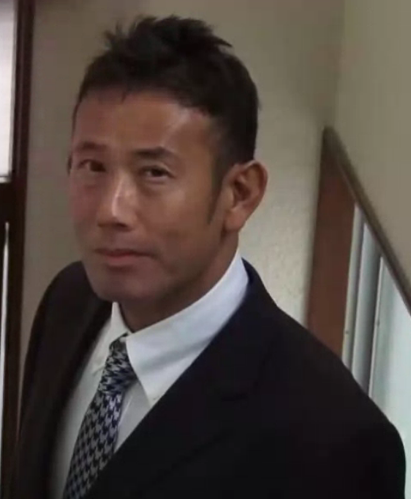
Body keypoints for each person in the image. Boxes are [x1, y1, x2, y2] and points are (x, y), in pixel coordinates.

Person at [9, 15, 405, 499]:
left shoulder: (335, 438)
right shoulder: (68, 302)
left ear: (239, 194)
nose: (111, 210)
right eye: (92, 166)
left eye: (154, 173)